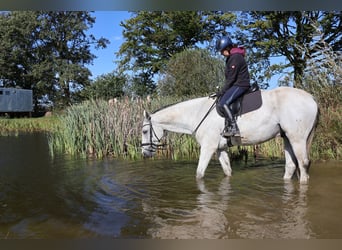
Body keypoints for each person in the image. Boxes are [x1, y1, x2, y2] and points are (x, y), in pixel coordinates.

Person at [215, 36, 251, 137]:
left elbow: (231, 79)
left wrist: (222, 91)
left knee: (223, 103)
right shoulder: (231, 57)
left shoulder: (235, 57)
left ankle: (234, 127)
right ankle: (227, 126)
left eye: (222, 51)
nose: (221, 53)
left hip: (241, 84)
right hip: (237, 84)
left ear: (227, 48)